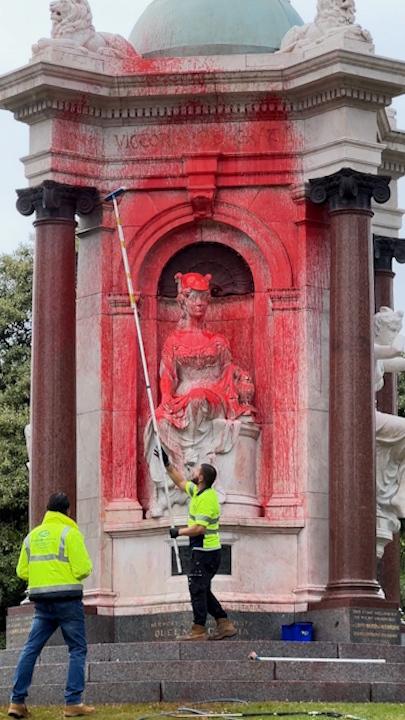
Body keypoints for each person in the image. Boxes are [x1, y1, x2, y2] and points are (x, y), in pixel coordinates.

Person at [145, 271, 255, 517]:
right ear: (183, 300)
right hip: (183, 395)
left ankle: (190, 464)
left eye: (204, 298)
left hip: (213, 395)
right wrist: (166, 402)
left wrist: (238, 386)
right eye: (194, 297)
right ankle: (166, 491)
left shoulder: (217, 340)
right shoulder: (173, 340)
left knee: (197, 400)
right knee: (159, 421)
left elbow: (227, 371)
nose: (200, 303)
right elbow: (168, 376)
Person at [8, 493, 95, 719]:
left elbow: (21, 572)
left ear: (47, 510)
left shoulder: (32, 536)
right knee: (76, 649)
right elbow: (83, 568)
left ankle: (17, 702)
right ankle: (73, 703)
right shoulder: (70, 533)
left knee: (31, 649)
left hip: (42, 604)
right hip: (68, 601)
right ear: (67, 511)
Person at [155, 446, 237, 641]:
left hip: (206, 551)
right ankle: (224, 623)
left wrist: (178, 532)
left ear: (201, 478)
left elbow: (200, 528)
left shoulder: (208, 499)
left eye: (195, 471)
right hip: (201, 550)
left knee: (197, 588)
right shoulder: (197, 492)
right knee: (201, 588)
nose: (192, 472)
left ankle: (198, 629)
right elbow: (180, 481)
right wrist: (166, 463)